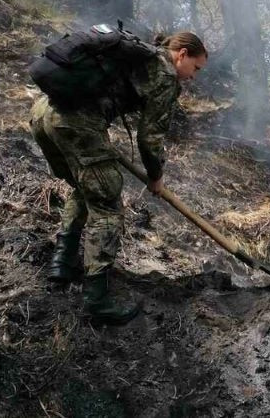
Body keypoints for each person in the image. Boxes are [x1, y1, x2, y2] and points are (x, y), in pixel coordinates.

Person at [30, 31, 207, 324]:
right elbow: (150, 138)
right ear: (182, 54)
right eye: (196, 68)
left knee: (85, 187)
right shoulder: (164, 75)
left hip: (43, 113)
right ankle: (97, 302)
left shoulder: (139, 54)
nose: (193, 76)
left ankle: (62, 265)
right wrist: (156, 177)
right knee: (108, 207)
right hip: (76, 121)